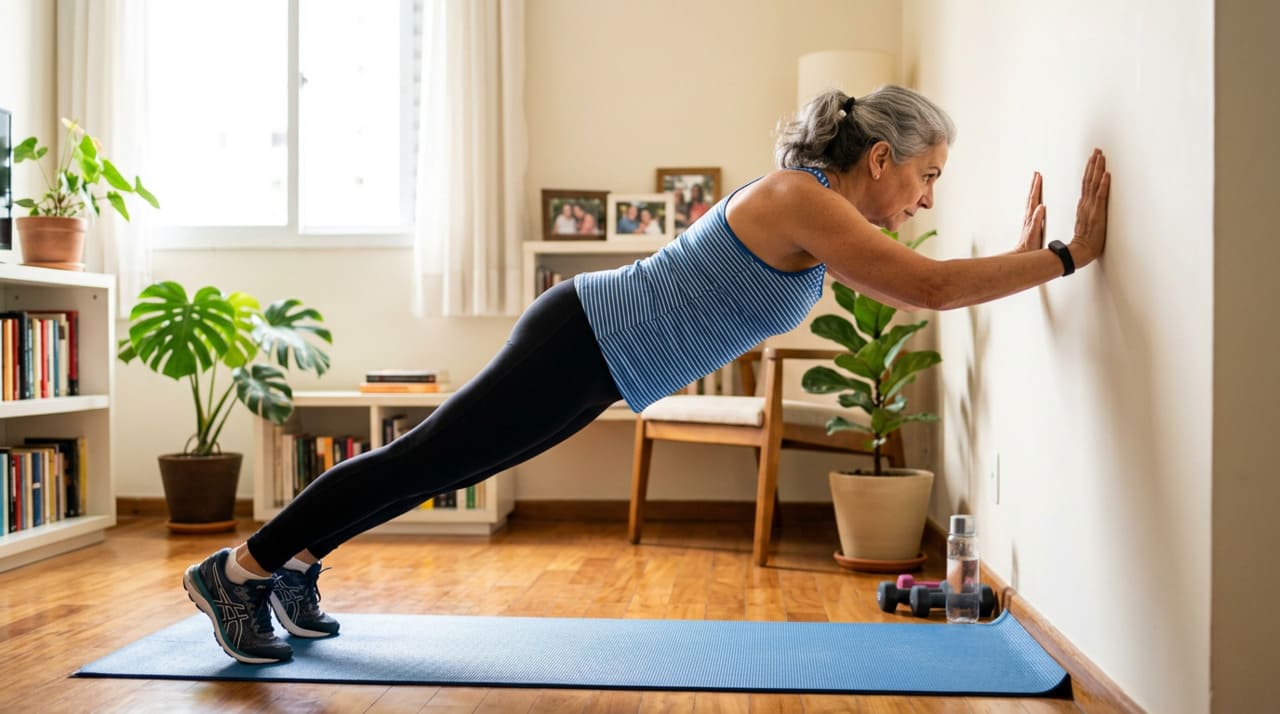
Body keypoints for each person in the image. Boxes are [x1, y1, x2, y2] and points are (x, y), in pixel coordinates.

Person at [182, 85, 1109, 663]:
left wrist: (1030, 262)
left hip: (600, 360)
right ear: (880, 159)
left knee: (446, 468)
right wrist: (1065, 256)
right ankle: (239, 569)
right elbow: (932, 287)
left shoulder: (825, 214)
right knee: (423, 459)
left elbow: (917, 291)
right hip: (583, 338)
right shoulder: (804, 200)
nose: (928, 197)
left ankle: (294, 567)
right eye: (929, 175)